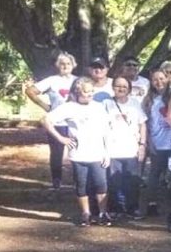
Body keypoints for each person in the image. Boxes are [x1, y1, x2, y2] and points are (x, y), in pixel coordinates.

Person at [42, 77, 112, 226]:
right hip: (78, 154)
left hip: (97, 153)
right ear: (77, 91)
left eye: (92, 91)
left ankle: (102, 213)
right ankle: (85, 213)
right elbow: (45, 120)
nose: (90, 94)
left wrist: (107, 152)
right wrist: (61, 138)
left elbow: (105, 131)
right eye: (86, 91)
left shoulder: (99, 106)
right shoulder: (68, 107)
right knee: (81, 185)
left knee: (101, 184)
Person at [25, 52, 78, 189]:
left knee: (78, 152)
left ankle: (79, 181)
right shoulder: (52, 80)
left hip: (76, 123)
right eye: (62, 64)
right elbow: (30, 91)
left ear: (73, 65)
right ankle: (56, 181)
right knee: (56, 152)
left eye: (68, 63)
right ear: (57, 66)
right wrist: (45, 106)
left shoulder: (78, 80)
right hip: (56, 123)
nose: (65, 66)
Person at [102, 77, 148, 219]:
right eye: (118, 86)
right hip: (112, 149)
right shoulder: (106, 103)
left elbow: (142, 124)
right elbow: (101, 126)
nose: (121, 89)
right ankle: (115, 208)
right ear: (113, 87)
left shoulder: (134, 103)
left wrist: (142, 145)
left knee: (132, 180)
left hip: (131, 149)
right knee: (114, 181)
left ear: (129, 89)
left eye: (124, 86)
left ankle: (132, 208)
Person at [141, 69, 171, 216]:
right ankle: (152, 203)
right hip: (158, 142)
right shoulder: (148, 99)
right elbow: (145, 123)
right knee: (155, 173)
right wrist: (149, 142)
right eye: (155, 79)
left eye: (162, 78)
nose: (159, 82)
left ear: (167, 79)